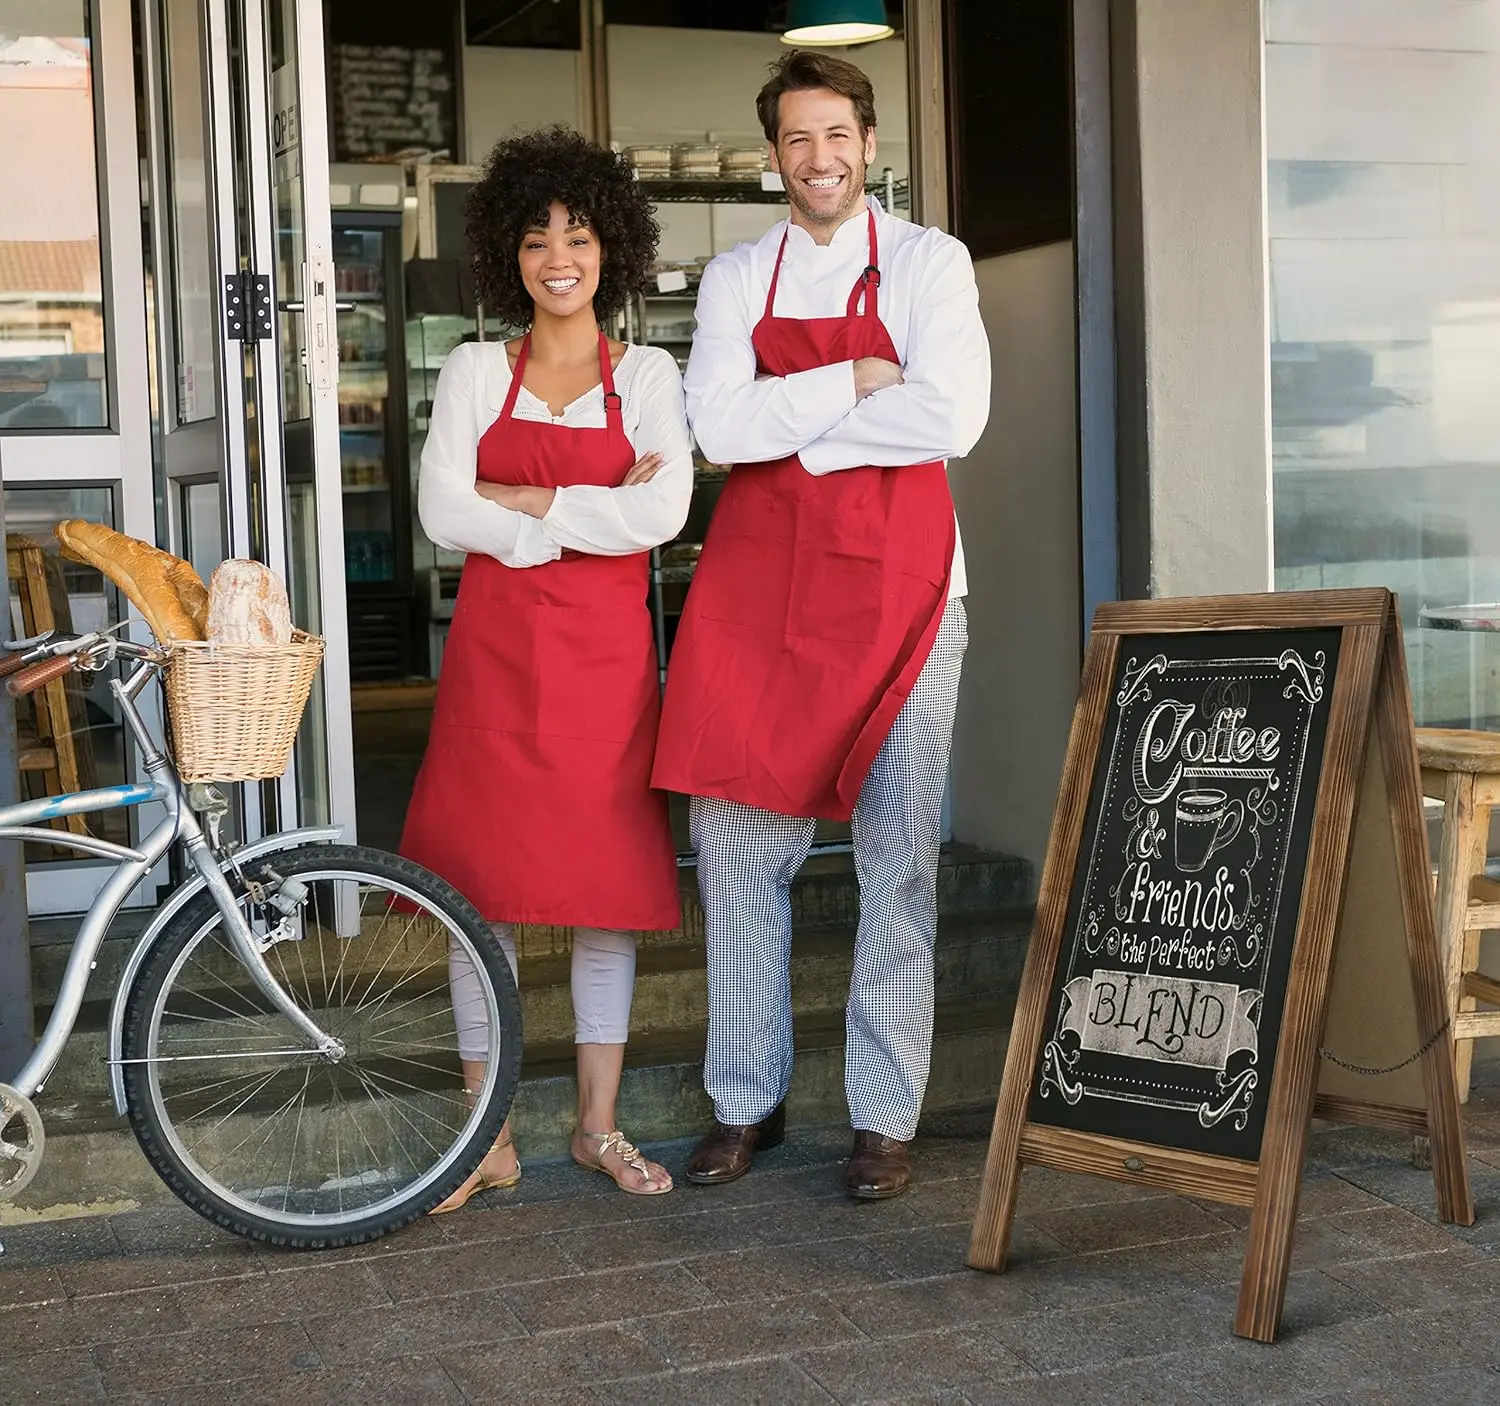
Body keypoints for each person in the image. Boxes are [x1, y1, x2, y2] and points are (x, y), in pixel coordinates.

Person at [652, 51, 990, 1200]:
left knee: (898, 859)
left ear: (869, 142)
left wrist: (791, 428)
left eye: (836, 134)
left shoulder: (932, 263)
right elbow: (714, 424)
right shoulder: (740, 276)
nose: (820, 157)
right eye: (798, 139)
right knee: (738, 844)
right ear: (774, 159)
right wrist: (852, 378)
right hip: (765, 598)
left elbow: (955, 414)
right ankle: (745, 1098)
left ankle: (883, 1118)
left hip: (905, 594)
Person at [400, 126, 693, 1207]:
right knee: (488, 895)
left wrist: (522, 503)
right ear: (507, 255)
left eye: (576, 233)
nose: (558, 256)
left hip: (608, 670)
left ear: (610, 242)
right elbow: (441, 509)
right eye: (536, 237)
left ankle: (596, 1127)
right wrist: (579, 517)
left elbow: (665, 509)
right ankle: (488, 1136)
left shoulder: (651, 371)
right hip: (495, 661)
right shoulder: (478, 368)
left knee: (602, 896)